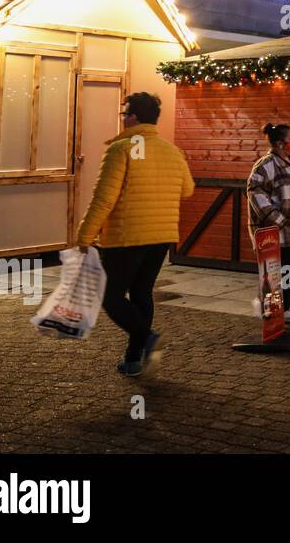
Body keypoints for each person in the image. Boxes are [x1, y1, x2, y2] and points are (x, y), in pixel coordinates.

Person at [75, 92, 194, 378]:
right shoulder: (171, 150)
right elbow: (187, 189)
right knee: (142, 292)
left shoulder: (121, 149)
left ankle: (148, 338)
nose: (122, 118)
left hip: (127, 237)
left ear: (134, 117)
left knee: (110, 295)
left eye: (124, 113)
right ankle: (132, 360)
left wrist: (84, 235)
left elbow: (104, 198)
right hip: (162, 236)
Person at [248, 122, 290, 325]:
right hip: (280, 231)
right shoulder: (266, 165)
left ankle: (284, 307)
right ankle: (273, 310)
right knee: (275, 273)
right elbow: (255, 192)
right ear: (279, 143)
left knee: (289, 271)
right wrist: (278, 219)